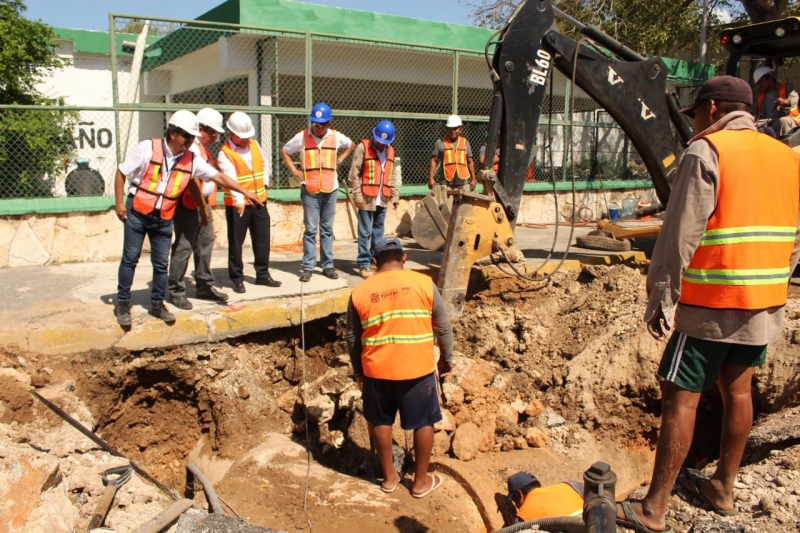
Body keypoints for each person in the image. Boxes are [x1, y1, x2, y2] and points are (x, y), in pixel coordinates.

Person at [615, 75, 800, 533]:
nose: (695, 121)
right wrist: (776, 280)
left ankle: (653, 508)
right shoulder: (786, 156)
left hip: (710, 304)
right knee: (737, 390)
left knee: (679, 396)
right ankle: (722, 487)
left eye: (696, 111)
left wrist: (661, 292)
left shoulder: (707, 150)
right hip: (764, 299)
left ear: (713, 108)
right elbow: (794, 235)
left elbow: (680, 231)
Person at [114, 110, 263, 327]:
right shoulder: (149, 148)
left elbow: (218, 176)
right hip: (138, 211)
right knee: (130, 258)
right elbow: (121, 171)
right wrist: (119, 203)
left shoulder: (190, 159)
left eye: (193, 137)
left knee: (160, 263)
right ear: (174, 134)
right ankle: (123, 303)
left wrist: (245, 192)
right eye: (187, 137)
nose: (191, 141)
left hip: (163, 215)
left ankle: (157, 304)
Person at [345, 236, 454, 498]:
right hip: (416, 369)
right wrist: (445, 360)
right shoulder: (424, 283)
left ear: (374, 262)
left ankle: (390, 478)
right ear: (404, 258)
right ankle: (419, 483)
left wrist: (358, 368)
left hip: (376, 370)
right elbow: (444, 327)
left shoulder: (359, 292)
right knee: (424, 422)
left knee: (379, 421)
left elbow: (351, 336)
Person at [280, 102, 354, 282]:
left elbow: (351, 145)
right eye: (314, 123)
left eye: (321, 124)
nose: (317, 127)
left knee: (327, 229)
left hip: (331, 188)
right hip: (310, 188)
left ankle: (328, 265)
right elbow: (285, 151)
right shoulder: (302, 137)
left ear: (329, 123)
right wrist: (294, 171)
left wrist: (340, 160)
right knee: (311, 229)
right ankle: (308, 266)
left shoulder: (336, 137)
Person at [167, 107, 228, 310]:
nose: (215, 137)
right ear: (201, 128)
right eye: (212, 133)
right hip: (189, 205)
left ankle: (204, 284)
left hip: (202, 204)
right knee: (184, 246)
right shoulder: (191, 148)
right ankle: (176, 289)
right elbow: (192, 180)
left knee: (205, 243)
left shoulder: (201, 148)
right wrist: (201, 207)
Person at [219, 112, 281, 294]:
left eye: (248, 136)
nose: (247, 140)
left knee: (262, 240)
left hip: (259, 202)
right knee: (236, 242)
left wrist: (266, 184)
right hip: (238, 206)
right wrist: (239, 200)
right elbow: (229, 178)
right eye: (243, 137)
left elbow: (265, 163)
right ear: (232, 134)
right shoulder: (225, 153)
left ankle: (262, 274)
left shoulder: (254, 144)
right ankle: (237, 278)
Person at [348, 120, 400, 278]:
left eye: (384, 142)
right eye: (379, 140)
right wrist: (357, 195)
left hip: (382, 197)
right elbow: (353, 174)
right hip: (366, 197)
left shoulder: (390, 151)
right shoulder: (362, 147)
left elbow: (391, 176)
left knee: (378, 232)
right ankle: (363, 263)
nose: (381, 144)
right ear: (374, 136)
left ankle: (374, 260)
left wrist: (395, 195)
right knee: (365, 232)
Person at [505, 472, 584, 525]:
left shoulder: (523, 517)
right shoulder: (571, 486)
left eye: (514, 500)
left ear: (519, 494)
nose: (516, 505)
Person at [428, 114, 477, 192]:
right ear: (447, 129)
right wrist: (431, 178)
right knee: (445, 204)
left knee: (463, 204)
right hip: (445, 184)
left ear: (461, 130)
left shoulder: (465, 143)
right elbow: (434, 160)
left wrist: (473, 179)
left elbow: (470, 162)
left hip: (463, 184)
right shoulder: (440, 142)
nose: (452, 131)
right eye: (450, 128)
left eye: (455, 128)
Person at [751, 65, 799, 137]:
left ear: (770, 78)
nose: (759, 85)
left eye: (761, 81)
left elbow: (794, 101)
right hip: (768, 121)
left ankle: (786, 147)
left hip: (788, 119)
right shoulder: (760, 95)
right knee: (751, 125)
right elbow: (753, 112)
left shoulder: (786, 87)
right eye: (758, 83)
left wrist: (784, 102)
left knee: (783, 121)